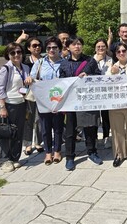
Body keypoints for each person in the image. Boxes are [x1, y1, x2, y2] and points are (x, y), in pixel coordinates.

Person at [59, 36, 102, 171]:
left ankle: (92, 152)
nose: (77, 46)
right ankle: (70, 157)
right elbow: (61, 82)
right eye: (74, 44)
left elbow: (99, 77)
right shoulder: (64, 64)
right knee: (71, 130)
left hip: (87, 100)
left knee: (90, 127)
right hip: (72, 101)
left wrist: (89, 77)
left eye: (79, 44)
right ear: (68, 47)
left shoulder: (90, 61)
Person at [0, 42, 31, 172]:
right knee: (5, 133)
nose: (16, 55)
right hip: (8, 104)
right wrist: (2, 107)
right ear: (8, 55)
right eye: (13, 53)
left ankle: (15, 157)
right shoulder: (6, 68)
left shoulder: (25, 68)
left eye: (19, 52)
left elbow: (26, 87)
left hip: (21, 103)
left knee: (18, 132)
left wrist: (29, 82)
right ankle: (4, 160)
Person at [30, 37, 65, 165]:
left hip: (59, 99)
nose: (51, 50)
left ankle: (57, 151)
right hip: (43, 100)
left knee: (58, 126)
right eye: (49, 48)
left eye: (54, 47)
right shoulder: (40, 63)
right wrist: (29, 79)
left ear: (59, 49)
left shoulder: (64, 62)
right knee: (45, 127)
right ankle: (48, 152)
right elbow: (32, 77)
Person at [106, 43, 127, 167]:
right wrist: (113, 73)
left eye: (124, 51)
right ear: (115, 54)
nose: (121, 53)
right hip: (115, 104)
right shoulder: (110, 67)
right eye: (119, 51)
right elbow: (105, 85)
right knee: (117, 130)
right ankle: (119, 154)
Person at [22, 37, 44, 156]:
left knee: (40, 119)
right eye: (34, 45)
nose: (37, 47)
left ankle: (39, 142)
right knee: (28, 118)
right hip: (28, 94)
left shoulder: (45, 60)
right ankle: (28, 144)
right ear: (29, 48)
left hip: (42, 94)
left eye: (39, 45)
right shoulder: (25, 61)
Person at [93, 38, 113, 149]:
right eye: (98, 47)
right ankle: (95, 137)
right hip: (94, 91)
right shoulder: (91, 59)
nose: (101, 48)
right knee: (95, 115)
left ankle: (106, 136)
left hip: (106, 91)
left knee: (106, 116)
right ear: (95, 48)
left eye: (103, 46)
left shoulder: (110, 59)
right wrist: (96, 61)